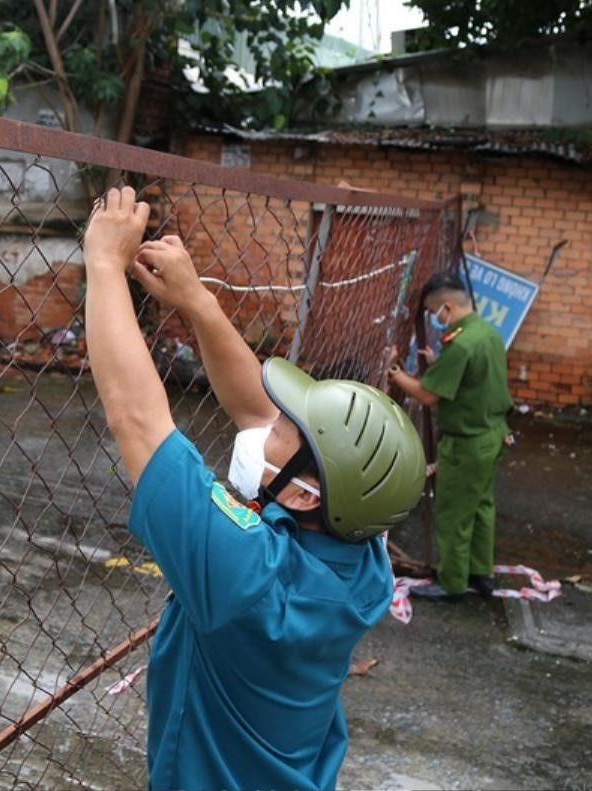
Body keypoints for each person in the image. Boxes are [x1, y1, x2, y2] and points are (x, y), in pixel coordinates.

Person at [82, 186, 426, 791]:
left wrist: (105, 265)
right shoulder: (362, 554)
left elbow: (137, 418)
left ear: (303, 497)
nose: (267, 423)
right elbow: (253, 408)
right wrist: (197, 303)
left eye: (284, 429)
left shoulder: (250, 576)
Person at [387, 272, 513, 601]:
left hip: (467, 442)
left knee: (454, 512)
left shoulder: (461, 345)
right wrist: (438, 363)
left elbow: (428, 395)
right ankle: (480, 574)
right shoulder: (485, 332)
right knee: (481, 506)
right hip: (493, 434)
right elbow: (470, 376)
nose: (434, 319)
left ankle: (453, 583)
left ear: (446, 307)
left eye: (433, 313)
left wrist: (396, 374)